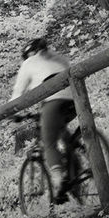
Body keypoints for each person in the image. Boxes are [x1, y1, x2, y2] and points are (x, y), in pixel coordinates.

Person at [11, 36, 76, 200]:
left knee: (49, 143)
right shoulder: (59, 59)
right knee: (61, 132)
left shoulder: (28, 63)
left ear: (28, 54)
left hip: (53, 101)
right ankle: (75, 160)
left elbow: (18, 93)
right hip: (74, 100)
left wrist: (12, 113)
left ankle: (60, 182)